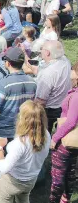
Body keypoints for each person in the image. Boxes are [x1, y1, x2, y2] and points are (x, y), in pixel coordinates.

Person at [0, 47, 38, 203]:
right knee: (17, 164)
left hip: (2, 131)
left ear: (7, 63)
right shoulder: (32, 82)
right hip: (22, 131)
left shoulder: (4, 84)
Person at [0, 101, 50, 203]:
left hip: (11, 183)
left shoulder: (20, 143)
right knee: (23, 199)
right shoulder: (46, 135)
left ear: (24, 119)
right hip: (30, 180)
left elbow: (4, 168)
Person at [49, 61, 78, 203]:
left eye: (73, 70)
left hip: (65, 140)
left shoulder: (76, 97)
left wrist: (55, 138)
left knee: (58, 175)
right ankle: (65, 198)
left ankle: (55, 199)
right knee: (71, 172)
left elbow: (71, 121)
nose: (70, 73)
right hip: (74, 142)